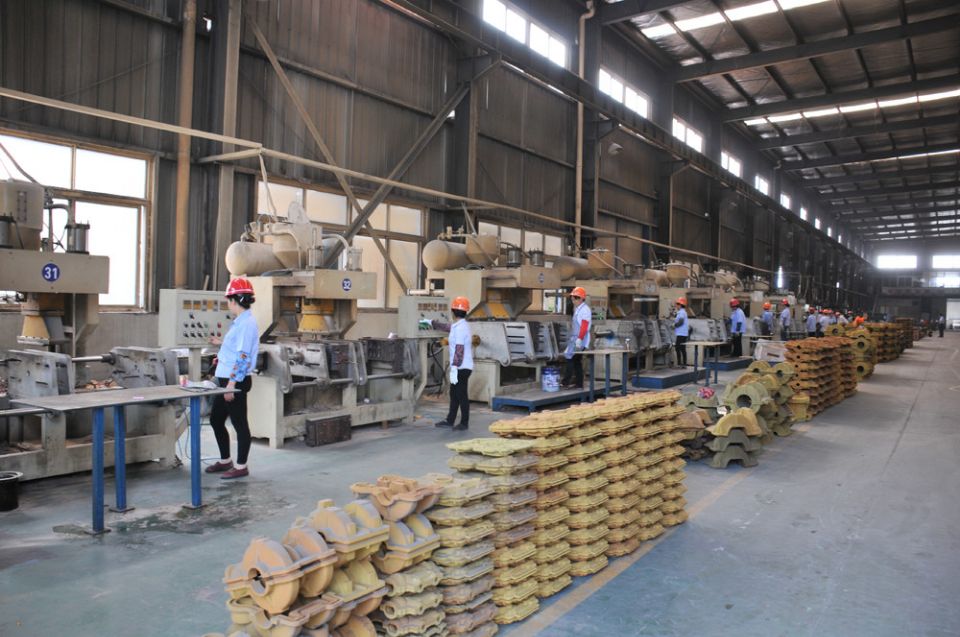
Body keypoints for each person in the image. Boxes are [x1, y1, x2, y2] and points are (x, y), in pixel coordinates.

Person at [205, 277, 260, 480]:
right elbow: (237, 347)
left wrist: (231, 384)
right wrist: (221, 344)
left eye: (228, 299)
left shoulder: (246, 324)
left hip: (234, 382)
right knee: (216, 420)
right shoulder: (240, 322)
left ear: (234, 300)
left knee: (239, 424)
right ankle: (225, 460)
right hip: (226, 380)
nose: (228, 303)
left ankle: (241, 466)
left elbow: (243, 356)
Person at [427, 297, 474, 430]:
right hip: (461, 366)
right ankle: (450, 420)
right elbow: (447, 327)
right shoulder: (459, 325)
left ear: (453, 311)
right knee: (454, 394)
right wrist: (431, 322)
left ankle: (464, 423)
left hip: (461, 367)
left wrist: (454, 368)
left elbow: (459, 349)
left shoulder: (460, 328)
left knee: (461, 395)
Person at [562, 287, 592, 389]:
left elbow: (584, 326)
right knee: (576, 361)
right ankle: (579, 384)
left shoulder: (585, 310)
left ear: (581, 298)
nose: (573, 301)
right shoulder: (578, 309)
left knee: (570, 358)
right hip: (575, 338)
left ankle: (566, 382)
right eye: (572, 298)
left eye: (575, 298)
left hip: (580, 339)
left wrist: (579, 339)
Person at [674, 297, 689, 367]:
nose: (676, 306)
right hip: (683, 333)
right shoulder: (683, 312)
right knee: (682, 348)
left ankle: (679, 363)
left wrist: (674, 325)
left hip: (681, 333)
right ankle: (684, 364)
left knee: (677, 348)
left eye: (677, 304)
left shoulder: (682, 312)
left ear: (680, 305)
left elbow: (681, 321)